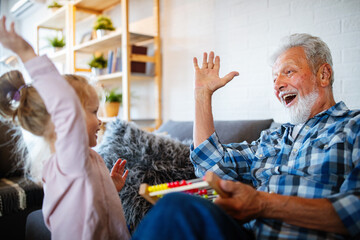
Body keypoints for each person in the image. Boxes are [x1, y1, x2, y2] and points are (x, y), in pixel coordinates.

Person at [132, 33, 360, 239]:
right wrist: (202, 96)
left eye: (288, 72)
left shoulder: (353, 127)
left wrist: (262, 204)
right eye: (274, 79)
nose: (278, 85)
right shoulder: (272, 138)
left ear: (323, 74)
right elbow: (210, 163)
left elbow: (355, 211)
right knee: (175, 207)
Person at [0, 16, 131, 239]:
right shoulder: (69, 158)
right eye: (92, 112)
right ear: (63, 121)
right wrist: (26, 53)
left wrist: (109, 187)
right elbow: (66, 105)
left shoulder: (81, 160)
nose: (99, 120)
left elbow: (83, 200)